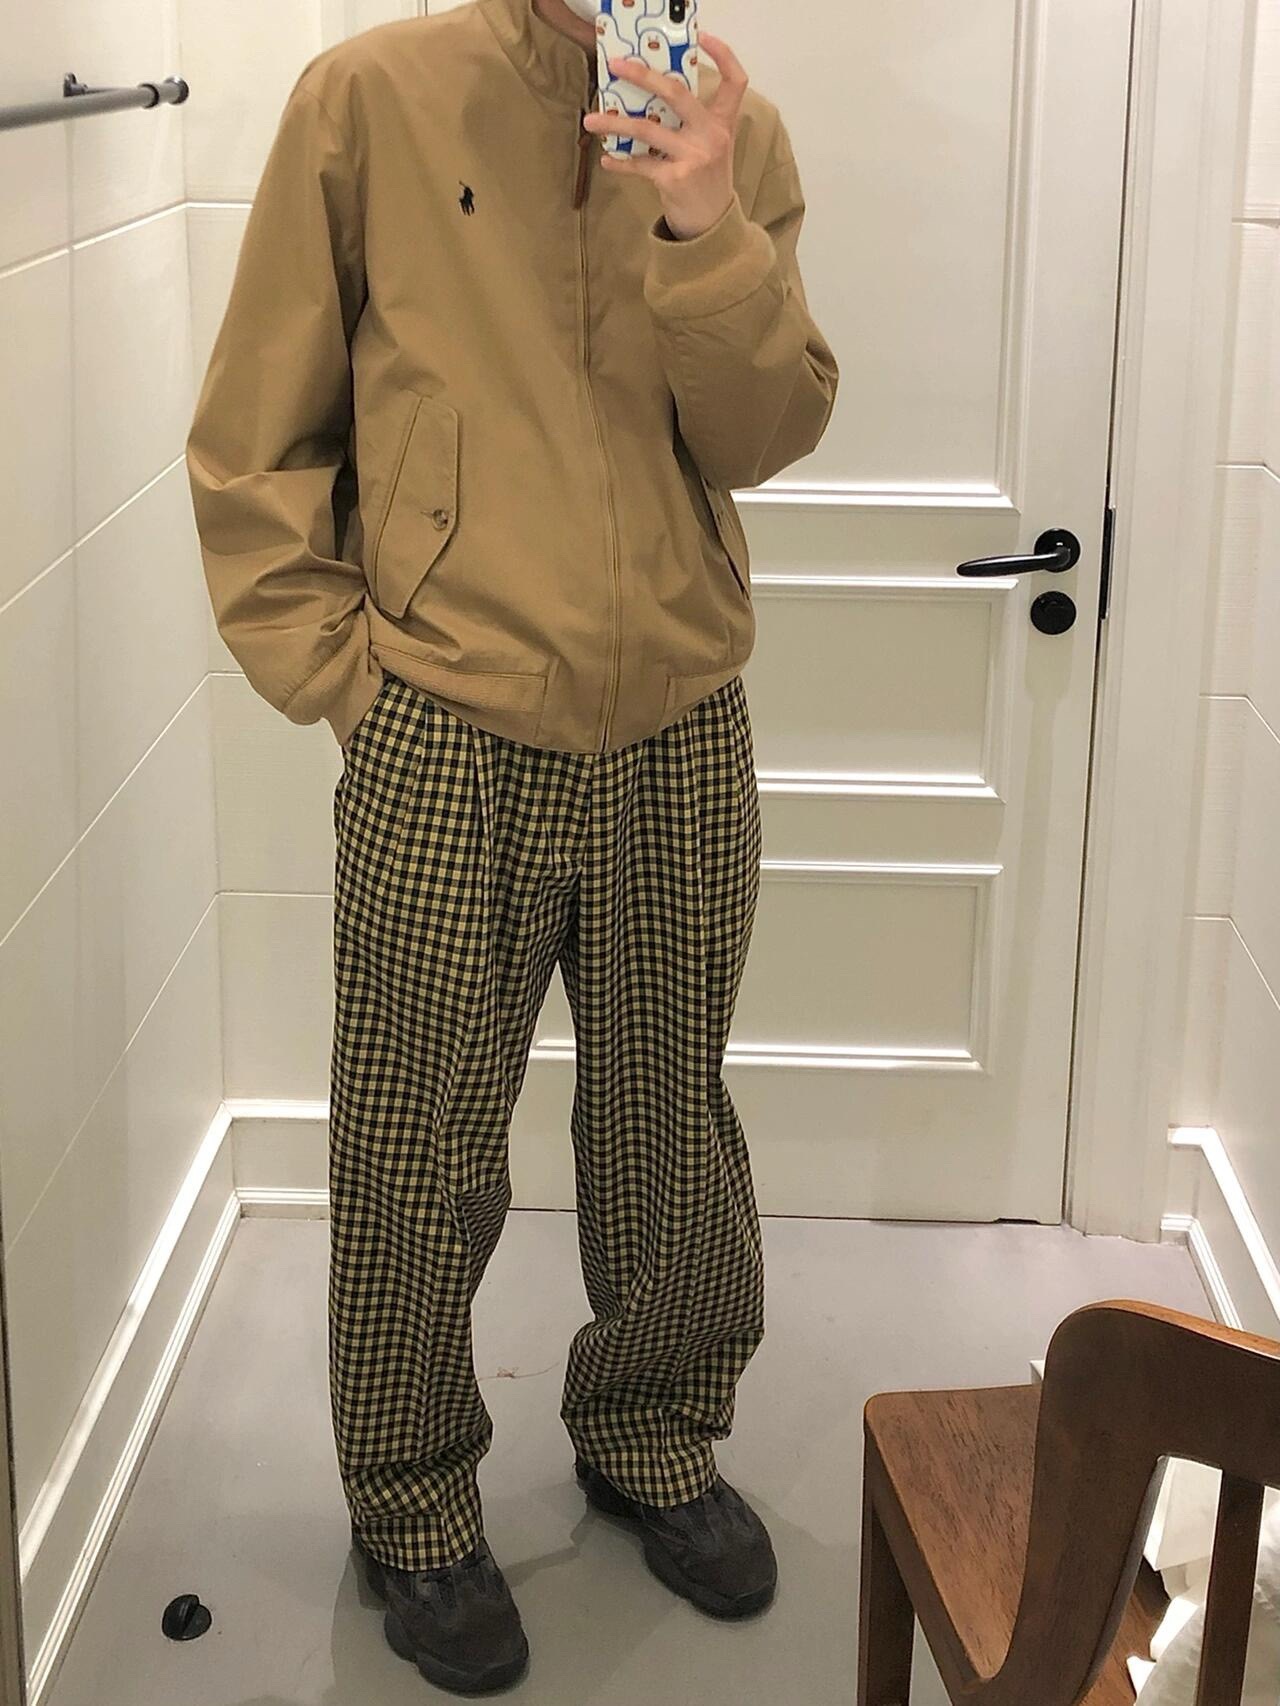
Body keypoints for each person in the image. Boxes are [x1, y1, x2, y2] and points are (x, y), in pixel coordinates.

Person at [184, 0, 838, 1691]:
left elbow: (768, 432)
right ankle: (410, 1500)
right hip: (445, 727)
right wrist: (349, 681)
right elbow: (254, 441)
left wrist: (704, 221)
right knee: (416, 1142)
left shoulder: (734, 129)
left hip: (680, 727)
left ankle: (652, 1429)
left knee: (670, 1121)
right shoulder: (369, 99)